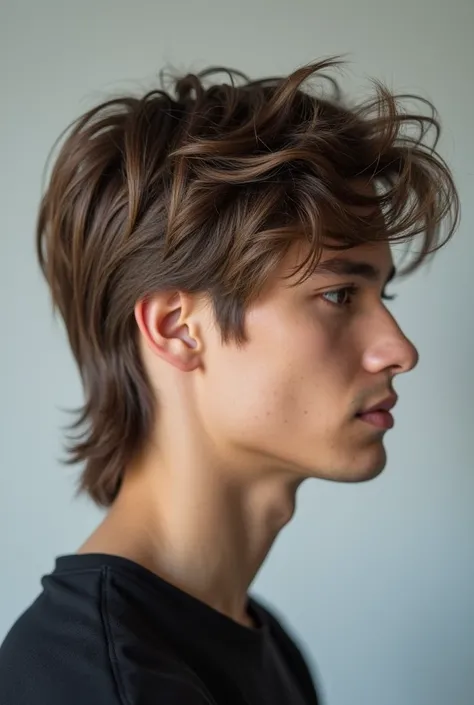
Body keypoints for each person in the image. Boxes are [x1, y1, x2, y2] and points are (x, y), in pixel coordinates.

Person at [0, 58, 458, 705]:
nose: (399, 349)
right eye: (337, 295)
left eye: (382, 293)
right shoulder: (96, 683)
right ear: (179, 329)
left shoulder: (259, 639)